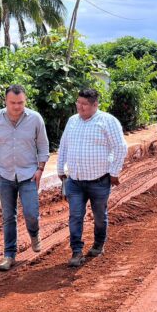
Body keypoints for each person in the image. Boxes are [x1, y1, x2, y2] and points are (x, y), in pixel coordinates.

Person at [0, 84, 50, 271]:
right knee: (8, 217)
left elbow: (43, 146)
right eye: (13, 103)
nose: (17, 106)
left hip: (28, 175)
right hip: (4, 176)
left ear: (25, 101)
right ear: (6, 101)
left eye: (20, 103)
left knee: (31, 213)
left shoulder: (35, 119)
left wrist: (40, 169)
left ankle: (34, 234)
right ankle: (9, 255)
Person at [57, 88, 128, 267]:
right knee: (75, 216)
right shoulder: (72, 121)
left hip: (99, 180)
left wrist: (114, 172)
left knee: (99, 215)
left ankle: (98, 244)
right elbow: (64, 146)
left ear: (95, 105)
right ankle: (76, 251)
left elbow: (120, 147)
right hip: (75, 181)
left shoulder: (107, 121)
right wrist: (60, 169)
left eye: (84, 104)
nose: (80, 107)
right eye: (78, 103)